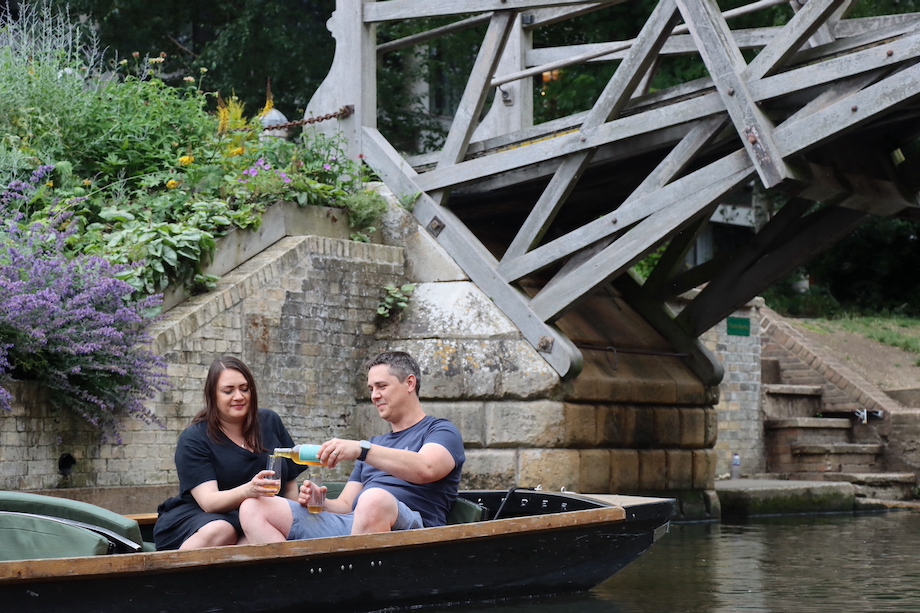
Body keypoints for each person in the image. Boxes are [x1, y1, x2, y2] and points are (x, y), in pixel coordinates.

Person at [240, 351, 465, 543]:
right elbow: (346, 505)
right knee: (254, 506)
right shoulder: (377, 444)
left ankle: (351, 587)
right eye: (371, 388)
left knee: (374, 498)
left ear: (409, 383)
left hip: (415, 532)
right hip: (358, 526)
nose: (374, 396)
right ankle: (298, 585)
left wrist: (362, 450)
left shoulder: (441, 431)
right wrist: (321, 502)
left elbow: (427, 468)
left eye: (382, 386)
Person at [153, 356, 304, 550]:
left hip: (257, 516)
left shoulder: (269, 421)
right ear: (212, 395)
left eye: (244, 388)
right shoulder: (194, 439)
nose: (239, 396)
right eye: (228, 391)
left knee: (260, 533)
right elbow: (209, 502)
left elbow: (290, 483)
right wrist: (249, 490)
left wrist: (293, 520)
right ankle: (173, 576)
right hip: (200, 517)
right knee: (222, 530)